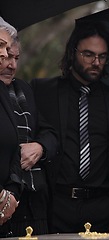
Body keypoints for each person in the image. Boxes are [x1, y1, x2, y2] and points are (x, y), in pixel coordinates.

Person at [31, 21, 109, 233]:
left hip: (100, 207)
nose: (96, 62)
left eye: (102, 56)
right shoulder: (42, 92)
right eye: (88, 54)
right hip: (55, 204)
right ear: (72, 52)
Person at [1, 37, 58, 237]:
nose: (12, 65)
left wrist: (40, 147)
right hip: (5, 200)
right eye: (7, 57)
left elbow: (49, 132)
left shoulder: (24, 89)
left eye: (17, 58)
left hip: (34, 203)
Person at [0, 17, 22, 238]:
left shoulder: (4, 93)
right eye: (1, 46)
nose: (6, 56)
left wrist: (11, 195)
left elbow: (14, 147)